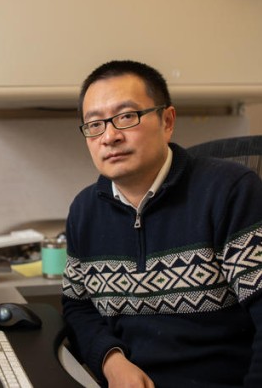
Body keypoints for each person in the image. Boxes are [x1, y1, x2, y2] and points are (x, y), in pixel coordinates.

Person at [62, 60, 262, 388]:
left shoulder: (230, 192)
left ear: (167, 121)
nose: (109, 136)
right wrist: (110, 359)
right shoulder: (85, 210)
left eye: (126, 117)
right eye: (94, 124)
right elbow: (78, 305)